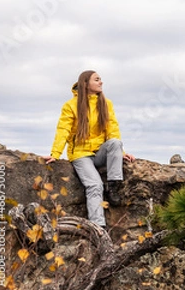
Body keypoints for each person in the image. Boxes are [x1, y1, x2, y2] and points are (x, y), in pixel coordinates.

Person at [42, 70, 135, 229]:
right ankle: (99, 228)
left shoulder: (106, 104)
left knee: (115, 143)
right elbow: (63, 130)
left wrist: (121, 154)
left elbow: (113, 130)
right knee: (95, 185)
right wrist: (55, 154)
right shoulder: (71, 106)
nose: (101, 82)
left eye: (101, 79)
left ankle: (113, 186)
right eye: (97, 79)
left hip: (99, 153)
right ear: (86, 83)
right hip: (80, 155)